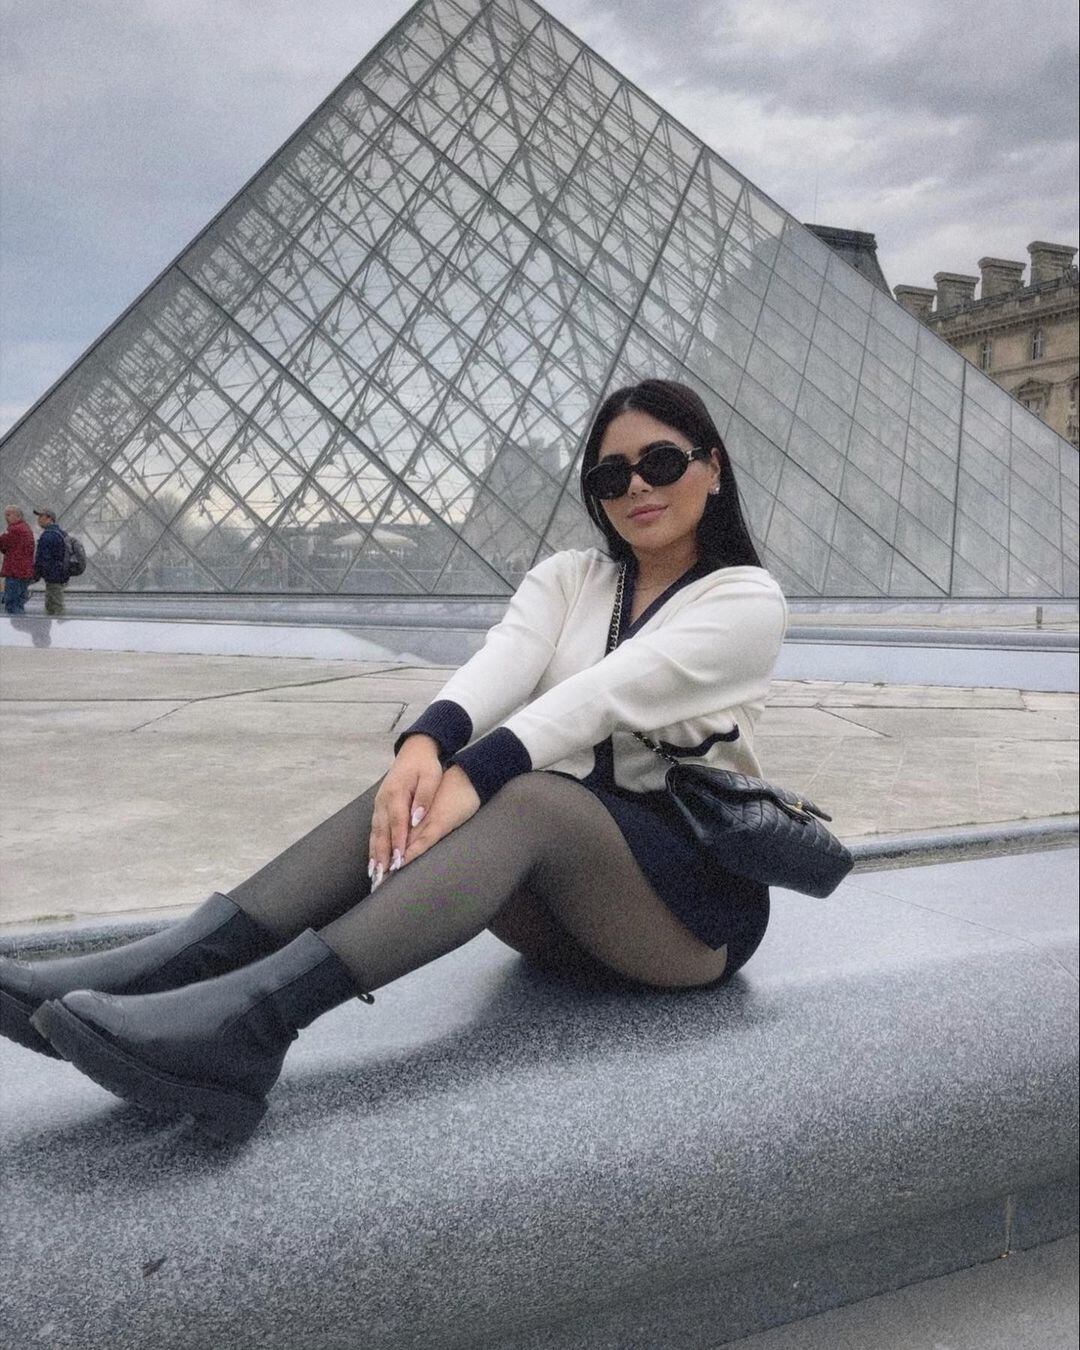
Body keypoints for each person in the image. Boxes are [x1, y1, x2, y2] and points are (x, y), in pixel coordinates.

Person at [0, 379, 787, 1142]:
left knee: (528, 796)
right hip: (558, 917)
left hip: (685, 921)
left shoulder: (745, 601)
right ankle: (170, 969)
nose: (637, 488)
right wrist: (423, 745)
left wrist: (473, 773)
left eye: (662, 462)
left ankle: (253, 1025)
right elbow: (505, 662)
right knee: (427, 785)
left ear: (712, 466)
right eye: (610, 474)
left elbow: (609, 693)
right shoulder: (573, 578)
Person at [0, 506, 35, 615]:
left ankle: (13, 629)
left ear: (18, 516)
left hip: (14, 572)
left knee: (11, 605)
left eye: (9, 515)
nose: (6, 517)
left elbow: (2, 544)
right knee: (19, 603)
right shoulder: (26, 528)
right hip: (24, 572)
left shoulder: (13, 529)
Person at [32, 508, 66, 615]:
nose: (38, 519)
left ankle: (60, 629)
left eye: (41, 516)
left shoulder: (48, 535)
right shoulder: (60, 533)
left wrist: (36, 574)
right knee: (55, 603)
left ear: (50, 519)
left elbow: (43, 558)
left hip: (53, 575)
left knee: (54, 606)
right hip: (59, 574)